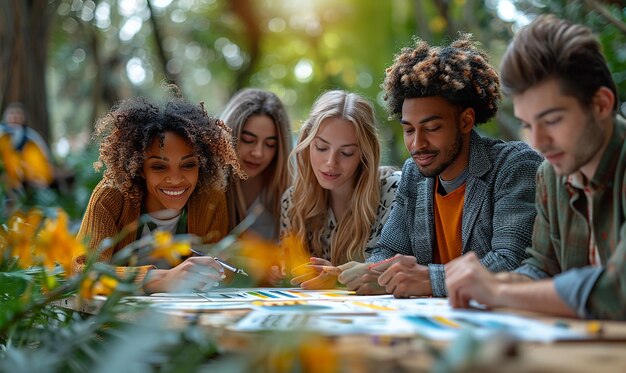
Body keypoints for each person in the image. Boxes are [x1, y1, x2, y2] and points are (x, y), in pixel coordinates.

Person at [446, 15, 626, 320]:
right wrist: (491, 282)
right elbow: (541, 268)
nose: (538, 142)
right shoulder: (551, 174)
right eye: (528, 125)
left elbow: (617, 290)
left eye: (552, 120)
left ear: (601, 104)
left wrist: (498, 292)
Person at [336, 34, 543, 297]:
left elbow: (510, 263)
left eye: (432, 128)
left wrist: (430, 279)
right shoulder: (414, 174)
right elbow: (387, 251)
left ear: (466, 121)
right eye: (409, 130)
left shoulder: (513, 166)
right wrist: (359, 275)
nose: (417, 144)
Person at [74, 92, 245, 294]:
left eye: (188, 165)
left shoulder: (210, 198)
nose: (175, 179)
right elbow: (80, 272)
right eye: (159, 167)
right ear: (140, 168)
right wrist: (160, 279)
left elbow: (223, 272)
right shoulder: (110, 197)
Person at [280, 90, 401, 289]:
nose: (331, 163)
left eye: (346, 153)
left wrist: (337, 278)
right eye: (321, 147)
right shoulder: (293, 201)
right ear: (307, 143)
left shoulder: (394, 191)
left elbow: (395, 272)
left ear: (364, 154)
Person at [221, 88, 293, 241]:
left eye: (270, 144)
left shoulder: (288, 196)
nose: (258, 153)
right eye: (248, 140)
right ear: (228, 138)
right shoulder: (204, 190)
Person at [0, 102, 53, 187]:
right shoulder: (1, 132)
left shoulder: (31, 136)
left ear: (24, 118)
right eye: (11, 113)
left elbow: (44, 155)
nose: (15, 117)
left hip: (26, 173)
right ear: (5, 116)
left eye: (18, 114)